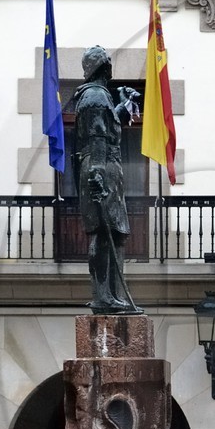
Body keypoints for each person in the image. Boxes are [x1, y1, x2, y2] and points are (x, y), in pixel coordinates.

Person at [69, 45, 142, 314]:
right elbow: (98, 137)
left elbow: (109, 126)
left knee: (116, 233)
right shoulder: (95, 96)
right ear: (104, 67)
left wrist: (124, 105)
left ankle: (114, 294)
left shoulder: (100, 96)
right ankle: (103, 296)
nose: (111, 66)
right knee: (103, 232)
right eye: (108, 62)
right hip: (101, 165)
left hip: (106, 166)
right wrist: (98, 174)